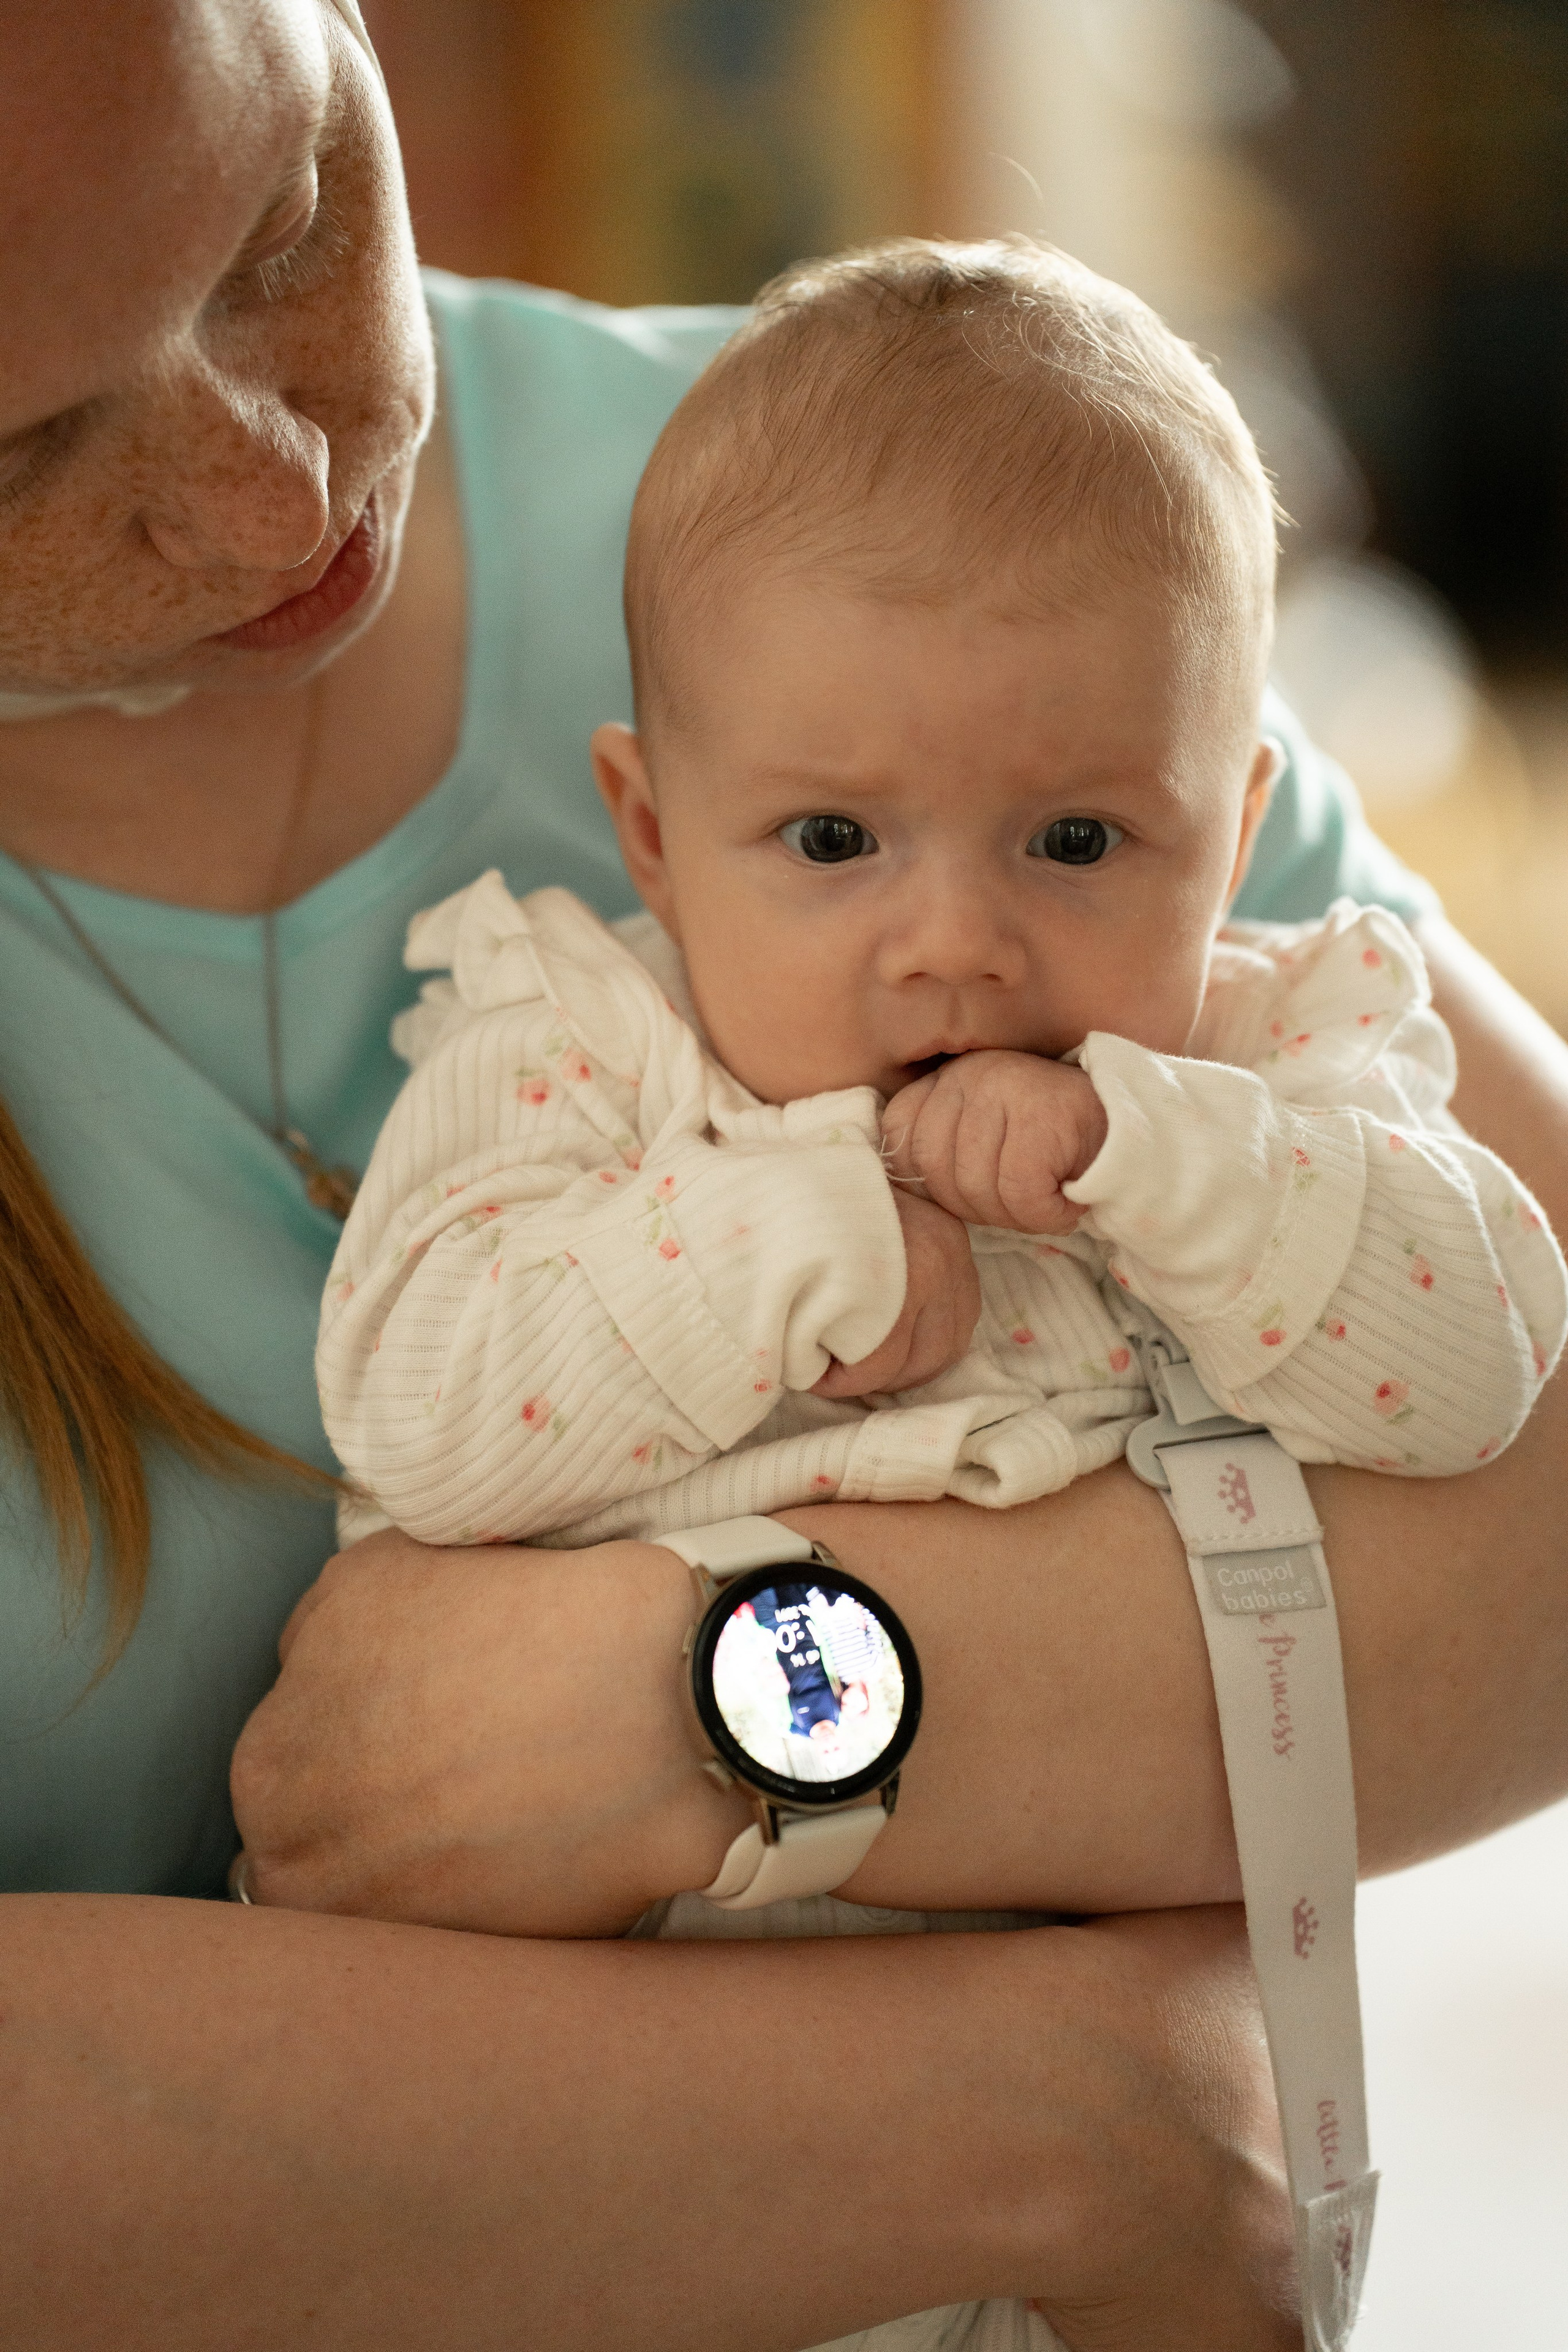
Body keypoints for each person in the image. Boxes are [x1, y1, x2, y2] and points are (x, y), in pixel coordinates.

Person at [0, 1, 1564, 2346]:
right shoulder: (569, 1032)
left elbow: (1522, 1384)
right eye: (23, 450)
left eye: (288, 226)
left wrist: (725, 1705)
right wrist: (1042, 2124)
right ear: (645, 821)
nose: (275, 495)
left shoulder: (903, 497)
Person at [318, 243, 1563, 1586]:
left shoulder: (1279, 1053)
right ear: (654, 836)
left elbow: (1481, 1374)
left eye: (1076, 841)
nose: (959, 944)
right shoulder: (578, 1055)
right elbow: (416, 1434)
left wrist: (1154, 1160)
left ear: (1237, 844)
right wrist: (783, 1245)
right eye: (833, 840)